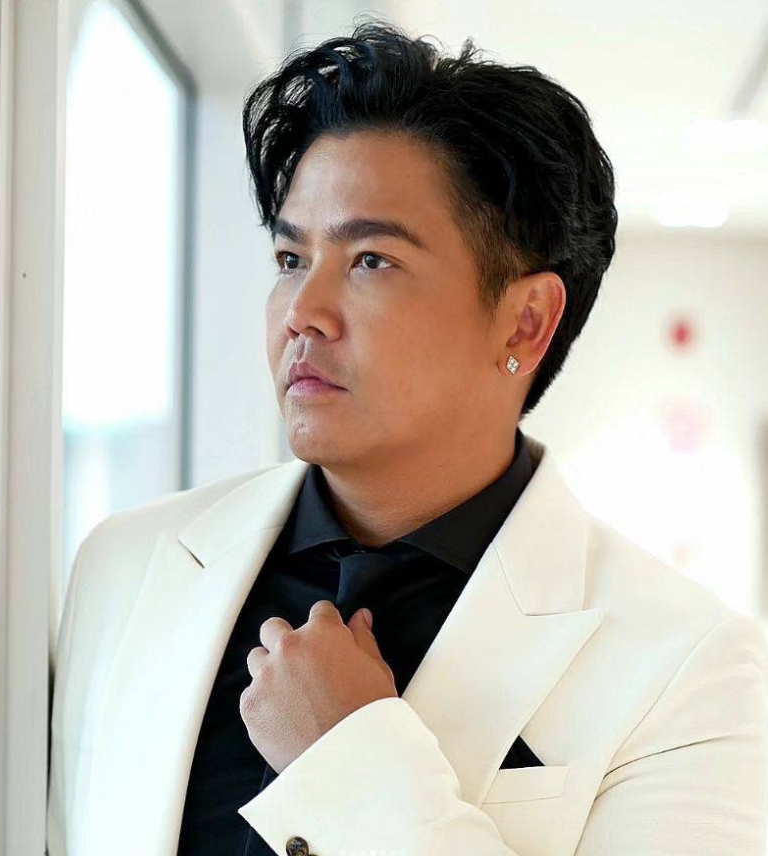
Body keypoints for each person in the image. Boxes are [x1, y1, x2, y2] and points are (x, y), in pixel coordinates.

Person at [46, 17, 768, 856]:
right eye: (290, 259)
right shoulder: (126, 570)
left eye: (370, 261)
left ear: (525, 322)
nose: (302, 314)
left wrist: (350, 763)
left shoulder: (690, 669)